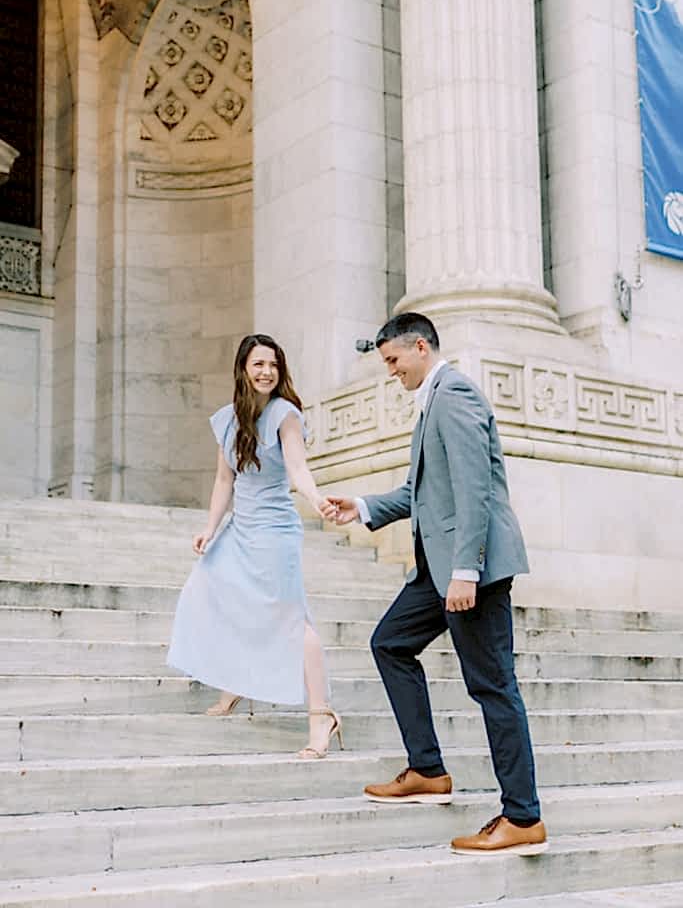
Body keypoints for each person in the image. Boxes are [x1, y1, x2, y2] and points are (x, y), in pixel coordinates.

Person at [330, 312, 547, 855]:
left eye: (393, 361)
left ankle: (522, 816)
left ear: (420, 347)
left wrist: (466, 570)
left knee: (493, 686)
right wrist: (361, 506)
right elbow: (420, 492)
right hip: (438, 568)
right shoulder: (432, 402)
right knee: (390, 643)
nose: (390, 372)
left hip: (468, 569)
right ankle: (427, 769)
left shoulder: (454, 396)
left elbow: (477, 491)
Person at [167, 333, 343, 759]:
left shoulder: (285, 414)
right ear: (243, 369)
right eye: (258, 364)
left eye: (273, 365)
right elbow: (225, 480)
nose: (266, 372)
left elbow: (298, 467)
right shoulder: (227, 419)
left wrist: (316, 498)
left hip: (275, 532)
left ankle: (322, 716)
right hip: (239, 529)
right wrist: (210, 528)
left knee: (291, 619)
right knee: (208, 593)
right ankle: (237, 683)